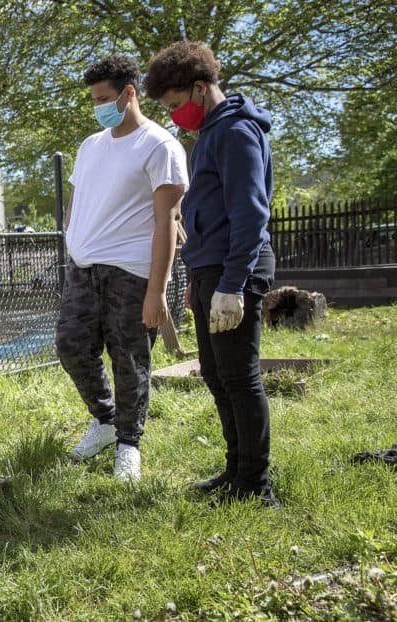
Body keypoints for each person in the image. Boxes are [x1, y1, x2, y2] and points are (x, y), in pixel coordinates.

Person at [145, 41, 279, 508]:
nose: (174, 115)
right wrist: (198, 279)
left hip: (233, 270)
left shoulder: (236, 132)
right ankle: (235, 468)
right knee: (217, 376)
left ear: (201, 88)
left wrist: (230, 284)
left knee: (240, 377)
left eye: (177, 105)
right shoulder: (209, 134)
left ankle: (256, 484)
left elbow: (250, 213)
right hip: (210, 271)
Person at [57, 55, 188, 482]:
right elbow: (78, 201)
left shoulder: (160, 146)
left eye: (105, 98)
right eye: (94, 100)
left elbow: (168, 221)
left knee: (130, 360)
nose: (98, 107)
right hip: (83, 268)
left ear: (129, 92)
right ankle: (106, 421)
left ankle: (129, 444)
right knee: (72, 347)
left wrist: (157, 290)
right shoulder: (90, 145)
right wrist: (74, 236)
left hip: (131, 272)